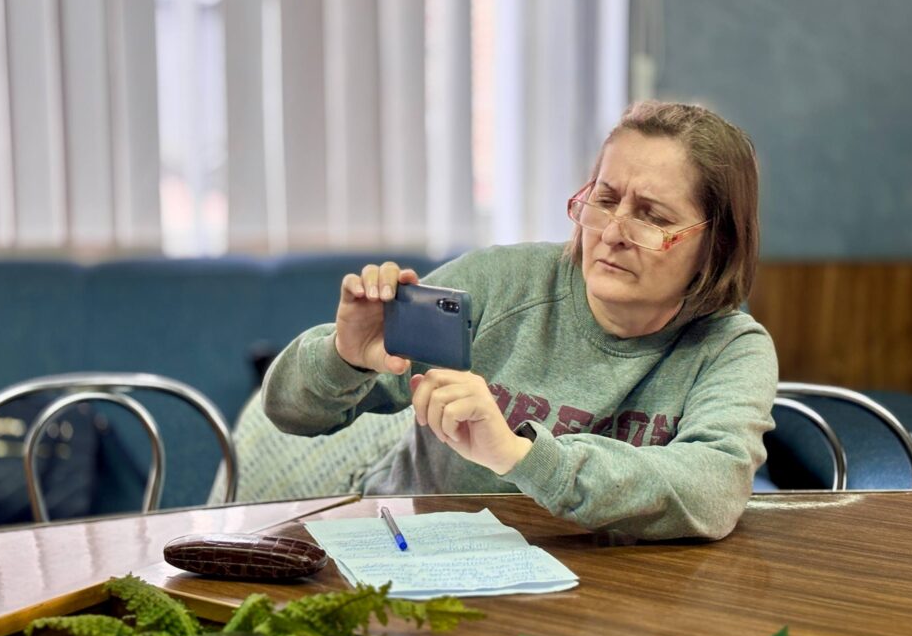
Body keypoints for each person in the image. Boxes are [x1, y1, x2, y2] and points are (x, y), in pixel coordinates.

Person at [262, 100, 777, 541]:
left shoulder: (731, 348)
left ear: (719, 242)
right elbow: (291, 412)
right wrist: (344, 359)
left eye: (652, 216)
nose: (613, 232)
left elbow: (713, 490)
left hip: (604, 589)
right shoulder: (496, 285)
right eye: (604, 199)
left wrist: (519, 455)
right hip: (419, 551)